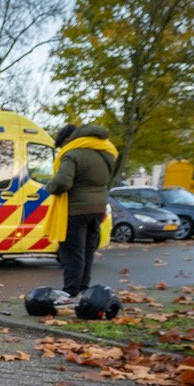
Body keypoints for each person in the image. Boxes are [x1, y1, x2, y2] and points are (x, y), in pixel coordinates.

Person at [45, 123, 118, 299]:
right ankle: (84, 290)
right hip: (98, 209)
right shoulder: (106, 152)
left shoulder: (72, 154)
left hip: (76, 210)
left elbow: (62, 182)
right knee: (87, 251)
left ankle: (70, 292)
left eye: (62, 145)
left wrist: (50, 187)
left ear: (67, 140)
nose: (62, 148)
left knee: (72, 252)